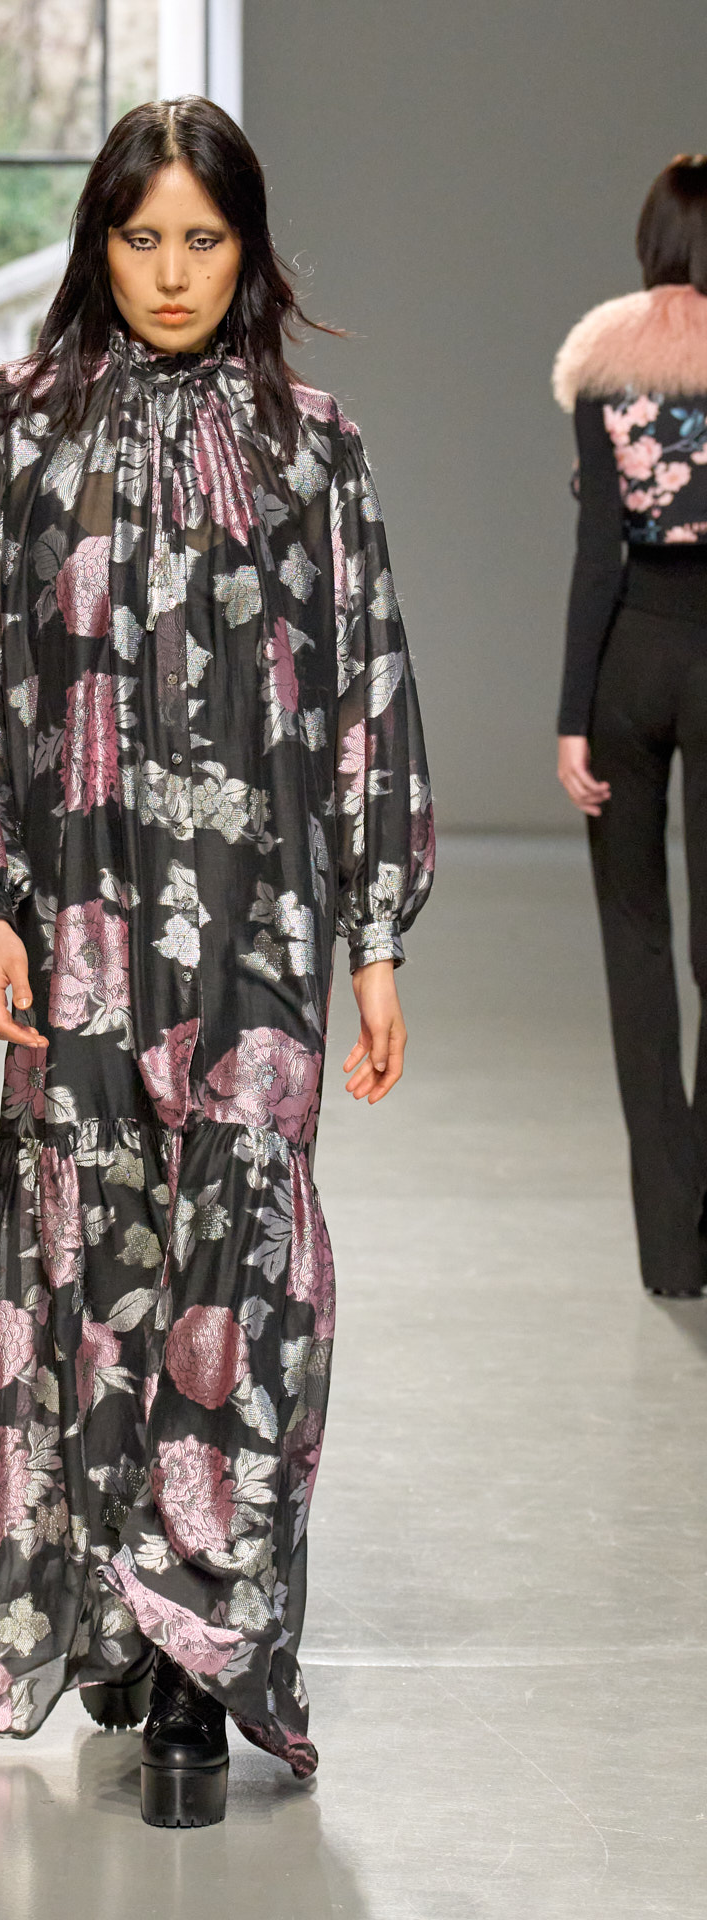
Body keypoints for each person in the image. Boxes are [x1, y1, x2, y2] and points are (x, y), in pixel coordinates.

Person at [0, 96, 434, 1826]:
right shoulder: (22, 430)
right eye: (143, 238)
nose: (174, 272)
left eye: (204, 238)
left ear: (248, 248)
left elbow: (366, 687)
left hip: (260, 931)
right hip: (83, 930)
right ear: (98, 246)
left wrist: (375, 941)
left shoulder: (312, 448)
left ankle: (200, 1666)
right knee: (95, 1269)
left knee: (237, 1284)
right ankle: (121, 1611)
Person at [553, 155, 707, 1299]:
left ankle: (669, 1247)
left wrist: (572, 718)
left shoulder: (607, 360)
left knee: (636, 943)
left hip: (628, 664)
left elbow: (596, 554)